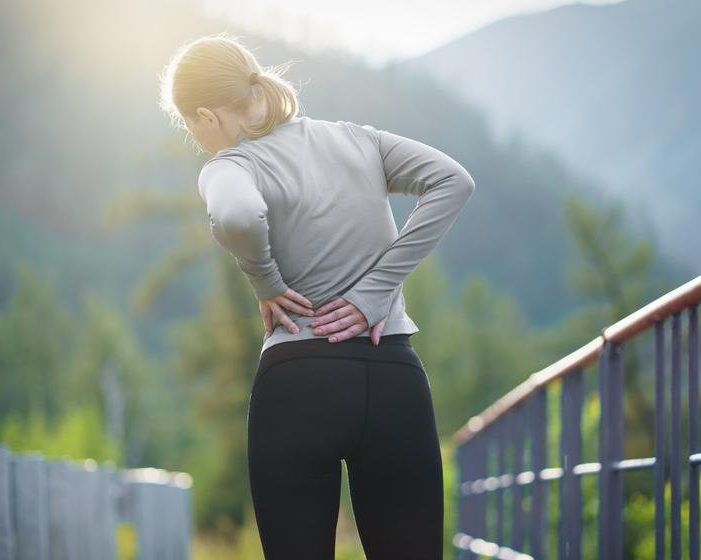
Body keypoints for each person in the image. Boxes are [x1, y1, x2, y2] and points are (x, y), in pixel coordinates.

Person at [160, 32, 476, 560]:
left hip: (296, 382)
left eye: (191, 125)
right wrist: (377, 291)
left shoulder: (231, 166)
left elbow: (236, 214)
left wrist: (267, 282)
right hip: (393, 373)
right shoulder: (359, 139)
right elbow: (453, 181)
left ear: (206, 116)